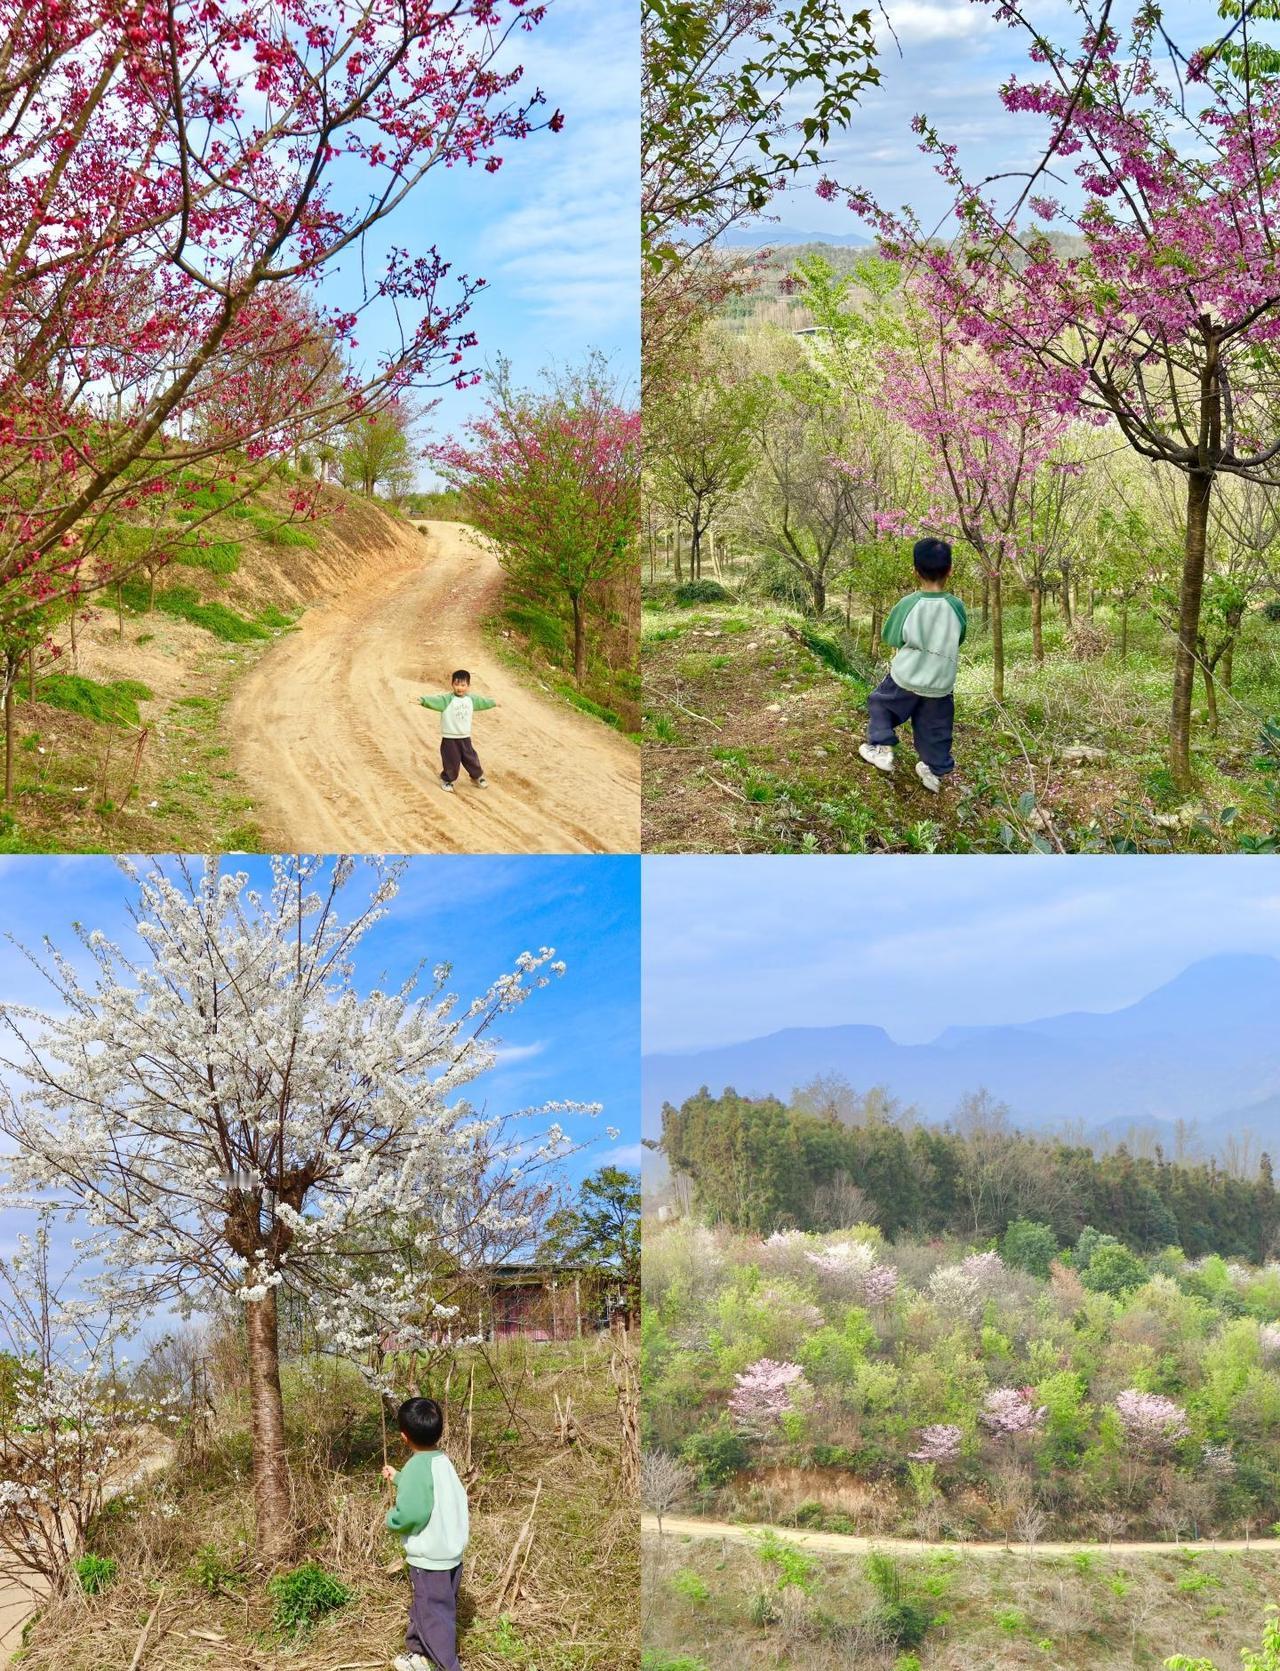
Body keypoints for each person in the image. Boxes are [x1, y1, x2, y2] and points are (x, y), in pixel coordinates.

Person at [858, 536, 967, 793]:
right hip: (940, 683)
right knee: (936, 729)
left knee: (882, 705)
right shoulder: (957, 606)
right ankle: (934, 769)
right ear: (950, 570)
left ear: (915, 571)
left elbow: (891, 637)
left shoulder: (908, 604)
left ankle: (882, 749)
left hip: (905, 677)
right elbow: (960, 637)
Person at [382, 1396, 470, 1671]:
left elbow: (412, 1514)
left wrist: (392, 1520)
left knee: (434, 1616)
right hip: (450, 1553)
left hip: (430, 1558)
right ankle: (418, 1655)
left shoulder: (417, 1467)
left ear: (403, 1436)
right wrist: (399, 1477)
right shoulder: (441, 1460)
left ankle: (447, 1665)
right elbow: (428, 1489)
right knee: (429, 1608)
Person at [419, 671, 496, 792]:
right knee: (452, 761)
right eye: (457, 684)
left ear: (468, 686)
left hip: (465, 736)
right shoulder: (447, 699)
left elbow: (483, 702)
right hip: (450, 737)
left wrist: (494, 703)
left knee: (471, 758)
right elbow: (434, 700)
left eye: (463, 685)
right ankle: (447, 780)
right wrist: (422, 700)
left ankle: (477, 777)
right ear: (452, 684)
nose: (460, 688)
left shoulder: (471, 700)